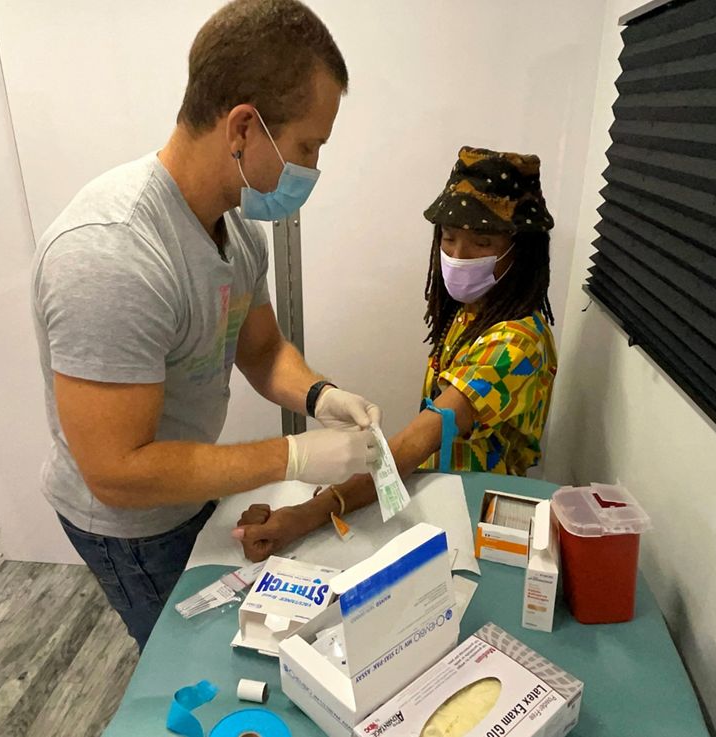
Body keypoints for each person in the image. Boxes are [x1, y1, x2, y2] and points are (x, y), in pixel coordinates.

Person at [31, 0, 378, 652]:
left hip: (187, 485)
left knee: (218, 626)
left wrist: (320, 396)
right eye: (307, 146)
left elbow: (263, 347)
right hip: (128, 519)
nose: (311, 169)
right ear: (244, 127)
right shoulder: (112, 254)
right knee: (182, 650)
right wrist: (295, 455)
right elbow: (117, 471)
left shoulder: (237, 224)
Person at [233, 146, 559, 562]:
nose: (457, 257)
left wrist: (310, 512)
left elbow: (420, 439)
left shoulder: (515, 343)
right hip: (442, 496)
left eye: (481, 242)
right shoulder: (473, 313)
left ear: (521, 250)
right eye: (448, 238)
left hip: (481, 523)